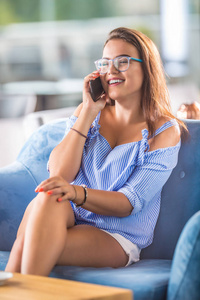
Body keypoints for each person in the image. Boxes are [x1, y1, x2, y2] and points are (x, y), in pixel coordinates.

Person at [5, 27, 185, 276]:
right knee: (47, 196)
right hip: (69, 214)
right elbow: (59, 174)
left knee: (34, 243)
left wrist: (77, 193)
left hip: (117, 233)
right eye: (105, 63)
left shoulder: (163, 130)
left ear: (147, 67)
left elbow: (128, 203)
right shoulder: (89, 113)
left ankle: (15, 288)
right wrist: (88, 112)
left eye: (122, 62)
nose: (110, 71)